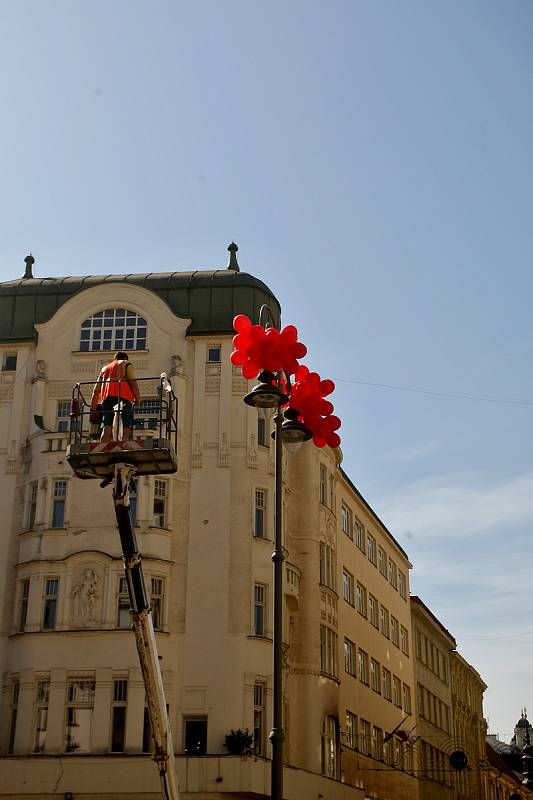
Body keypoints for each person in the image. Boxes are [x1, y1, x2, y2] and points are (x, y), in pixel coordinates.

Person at [90, 352, 141, 442]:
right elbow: (133, 383)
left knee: (107, 425)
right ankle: (124, 441)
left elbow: (96, 391)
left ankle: (103, 445)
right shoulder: (126, 364)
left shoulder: (105, 369)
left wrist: (93, 409)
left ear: (115, 358)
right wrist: (137, 399)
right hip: (123, 397)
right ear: (125, 358)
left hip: (107, 399)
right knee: (126, 423)